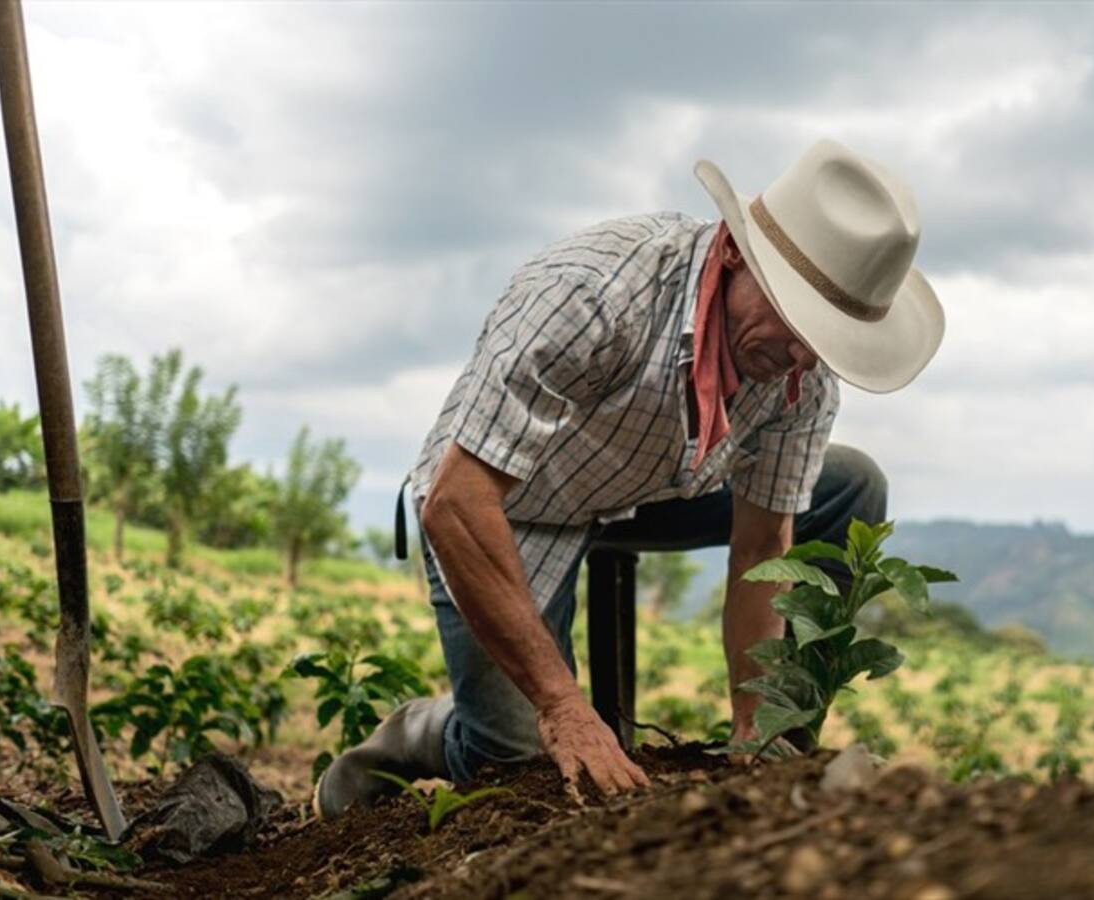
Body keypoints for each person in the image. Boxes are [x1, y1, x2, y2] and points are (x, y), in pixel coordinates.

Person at [313, 138, 945, 818]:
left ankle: (784, 746)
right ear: (735, 253)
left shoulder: (799, 373)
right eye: (796, 323)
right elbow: (458, 502)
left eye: (823, 340)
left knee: (851, 485)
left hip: (651, 488)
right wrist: (562, 706)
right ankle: (420, 731)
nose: (801, 357)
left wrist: (754, 730)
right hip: (511, 502)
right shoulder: (594, 295)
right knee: (518, 761)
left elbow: (765, 546)